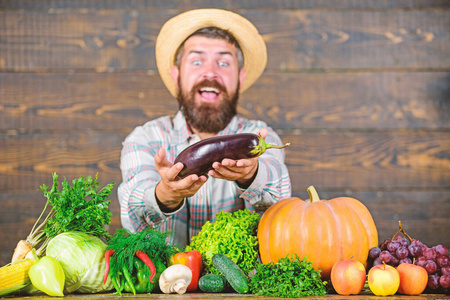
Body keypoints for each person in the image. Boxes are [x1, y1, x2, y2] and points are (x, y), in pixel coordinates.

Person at [118, 8, 291, 248]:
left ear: (240, 77)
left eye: (223, 62)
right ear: (176, 75)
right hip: (164, 285)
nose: (210, 72)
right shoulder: (145, 138)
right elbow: (132, 217)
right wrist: (165, 195)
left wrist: (252, 176)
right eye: (197, 61)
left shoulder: (261, 136)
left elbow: (282, 206)